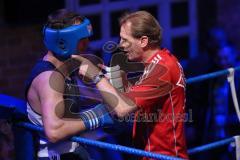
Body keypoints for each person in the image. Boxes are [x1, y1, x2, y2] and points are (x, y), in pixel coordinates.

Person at [72, 11, 189, 159]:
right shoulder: (159, 62)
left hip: (163, 156)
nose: (121, 45)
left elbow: (123, 109)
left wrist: (96, 76)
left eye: (125, 40)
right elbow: (139, 100)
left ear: (143, 41)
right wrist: (113, 79)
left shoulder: (161, 69)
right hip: (153, 154)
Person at [25, 9, 114, 160]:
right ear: (63, 43)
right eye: (82, 39)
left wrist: (103, 81)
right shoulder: (49, 78)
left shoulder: (65, 70)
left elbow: (95, 101)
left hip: (73, 152)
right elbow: (54, 131)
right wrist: (97, 117)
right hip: (57, 155)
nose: (87, 44)